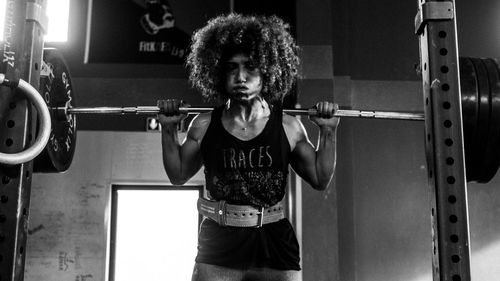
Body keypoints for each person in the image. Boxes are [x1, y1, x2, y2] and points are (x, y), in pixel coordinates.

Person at [158, 13, 340, 281]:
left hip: (274, 241)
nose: (240, 77)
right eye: (231, 68)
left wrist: (328, 132)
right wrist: (169, 128)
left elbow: (320, 179)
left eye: (251, 67)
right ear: (219, 73)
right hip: (219, 241)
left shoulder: (288, 127)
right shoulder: (204, 124)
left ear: (267, 71)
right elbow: (178, 174)